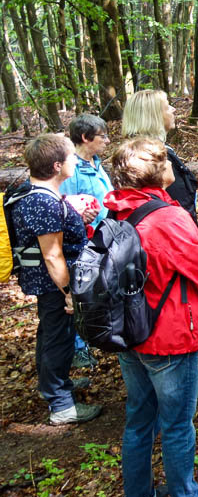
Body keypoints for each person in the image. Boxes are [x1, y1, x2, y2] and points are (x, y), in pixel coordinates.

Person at [104, 137, 198, 497]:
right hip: (168, 335)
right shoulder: (169, 218)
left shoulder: (114, 212)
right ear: (160, 171)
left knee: (140, 417)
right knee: (176, 423)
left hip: (129, 333)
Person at [10, 134, 101, 425]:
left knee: (51, 334)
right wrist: (68, 292)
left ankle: (52, 386)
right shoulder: (43, 203)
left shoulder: (41, 196)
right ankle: (61, 405)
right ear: (57, 165)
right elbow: (52, 255)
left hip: (50, 281)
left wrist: (77, 220)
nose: (76, 160)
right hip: (54, 283)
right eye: (72, 157)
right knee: (58, 338)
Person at [59, 114, 111, 369]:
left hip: (105, 237)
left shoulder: (95, 163)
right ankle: (79, 348)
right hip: (82, 244)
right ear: (85, 138)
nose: (107, 140)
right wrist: (79, 216)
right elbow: (64, 207)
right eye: (102, 136)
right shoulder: (73, 169)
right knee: (80, 292)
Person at [121, 89, 198, 227]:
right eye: (167, 106)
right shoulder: (150, 160)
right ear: (154, 116)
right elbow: (177, 206)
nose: (173, 109)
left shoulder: (136, 155)